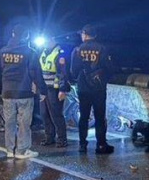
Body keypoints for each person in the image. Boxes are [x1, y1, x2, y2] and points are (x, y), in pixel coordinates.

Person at [0, 24, 47, 159]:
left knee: (9, 122)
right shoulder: (30, 52)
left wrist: (0, 89)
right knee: (24, 123)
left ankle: (9, 150)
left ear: (12, 34)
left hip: (7, 93)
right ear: (27, 36)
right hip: (24, 93)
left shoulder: (2, 52)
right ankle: (22, 151)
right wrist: (43, 90)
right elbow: (36, 73)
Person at [70, 24, 115, 154]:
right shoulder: (102, 49)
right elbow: (109, 68)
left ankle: (82, 145)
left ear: (85, 34)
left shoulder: (77, 50)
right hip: (99, 89)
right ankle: (101, 145)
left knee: (83, 117)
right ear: (94, 35)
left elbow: (73, 71)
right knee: (100, 117)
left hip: (83, 88)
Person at [39, 37, 70, 147]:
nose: (45, 42)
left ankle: (62, 139)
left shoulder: (59, 54)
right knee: (44, 114)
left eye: (47, 40)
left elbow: (63, 73)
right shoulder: (44, 52)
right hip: (44, 89)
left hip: (55, 90)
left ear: (53, 40)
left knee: (56, 115)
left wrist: (62, 90)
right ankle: (49, 137)